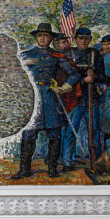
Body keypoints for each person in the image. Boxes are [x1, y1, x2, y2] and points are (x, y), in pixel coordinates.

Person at [14, 23, 80, 178]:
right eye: (40, 36)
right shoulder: (25, 55)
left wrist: (64, 87)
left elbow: (74, 74)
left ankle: (52, 168)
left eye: (46, 36)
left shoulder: (56, 56)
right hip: (31, 98)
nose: (43, 38)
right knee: (28, 134)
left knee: (54, 134)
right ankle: (24, 169)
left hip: (50, 98)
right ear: (36, 38)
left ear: (51, 38)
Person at [62, 27, 106, 170]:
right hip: (74, 99)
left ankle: (95, 161)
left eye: (87, 38)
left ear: (90, 39)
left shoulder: (95, 54)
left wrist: (93, 78)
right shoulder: (69, 54)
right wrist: (83, 80)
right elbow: (64, 77)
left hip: (91, 99)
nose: (84, 41)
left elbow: (102, 76)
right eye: (81, 38)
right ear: (76, 39)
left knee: (94, 133)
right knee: (70, 131)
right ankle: (67, 161)